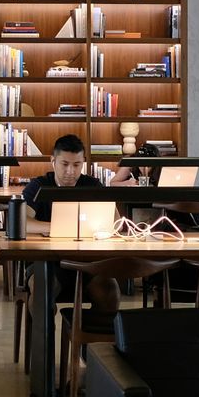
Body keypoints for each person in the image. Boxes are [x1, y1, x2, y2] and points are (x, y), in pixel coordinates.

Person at [18, 134, 126, 315]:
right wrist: (57, 228)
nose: (70, 171)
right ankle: (44, 343)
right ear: (53, 161)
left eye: (77, 165)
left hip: (88, 262)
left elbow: (116, 224)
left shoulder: (92, 185)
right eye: (65, 164)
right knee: (41, 295)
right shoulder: (38, 186)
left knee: (110, 291)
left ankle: (94, 341)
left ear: (83, 162)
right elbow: (22, 222)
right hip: (46, 262)